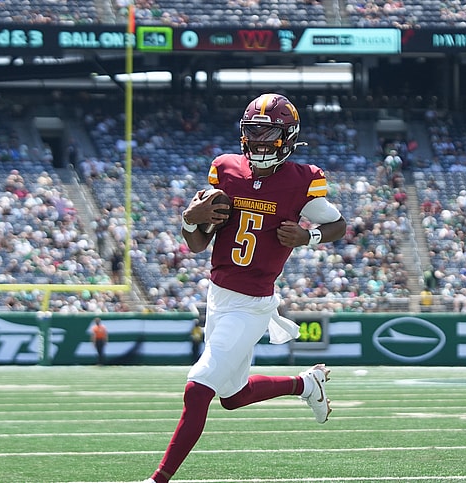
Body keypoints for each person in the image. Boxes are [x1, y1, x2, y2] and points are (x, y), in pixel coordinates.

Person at [143, 93, 347, 483]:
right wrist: (189, 218)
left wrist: (309, 238)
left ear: (287, 136)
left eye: (268, 132)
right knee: (232, 397)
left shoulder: (301, 182)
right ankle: (306, 383)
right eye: (252, 132)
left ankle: (158, 479)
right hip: (217, 296)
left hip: (253, 303)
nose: (258, 141)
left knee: (197, 388)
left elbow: (338, 225)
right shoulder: (226, 170)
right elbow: (197, 243)